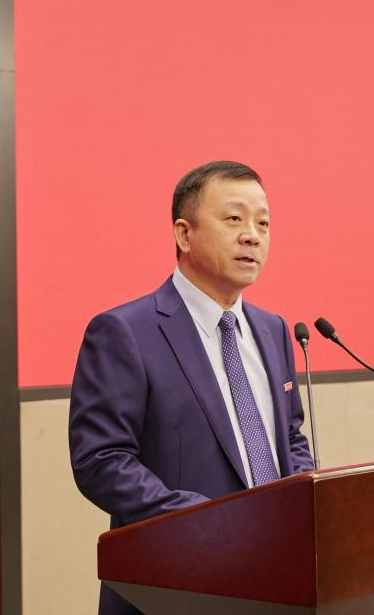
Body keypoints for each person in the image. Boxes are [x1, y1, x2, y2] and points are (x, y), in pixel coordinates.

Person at [69, 161, 315, 615]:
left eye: (263, 224)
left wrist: (307, 501)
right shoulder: (125, 332)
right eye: (234, 219)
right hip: (173, 586)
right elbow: (101, 460)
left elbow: (290, 437)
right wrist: (202, 521)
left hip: (277, 578)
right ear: (184, 234)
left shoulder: (274, 330)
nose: (252, 236)